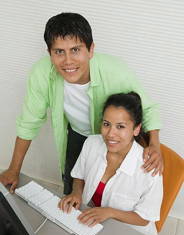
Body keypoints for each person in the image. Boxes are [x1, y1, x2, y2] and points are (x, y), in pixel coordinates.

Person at [0, 12, 163, 195]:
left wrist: (155, 144)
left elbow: (147, 108)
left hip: (114, 137)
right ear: (49, 53)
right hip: (77, 135)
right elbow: (28, 123)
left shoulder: (116, 70)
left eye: (75, 50)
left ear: (91, 49)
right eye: (59, 52)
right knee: (72, 189)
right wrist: (13, 169)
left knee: (110, 193)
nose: (68, 61)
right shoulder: (41, 73)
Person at [59, 92, 163, 235]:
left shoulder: (150, 167)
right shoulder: (91, 144)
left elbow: (144, 218)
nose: (110, 134)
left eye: (120, 126)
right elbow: (79, 176)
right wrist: (76, 193)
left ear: (136, 129)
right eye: (106, 124)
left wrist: (109, 212)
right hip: (95, 223)